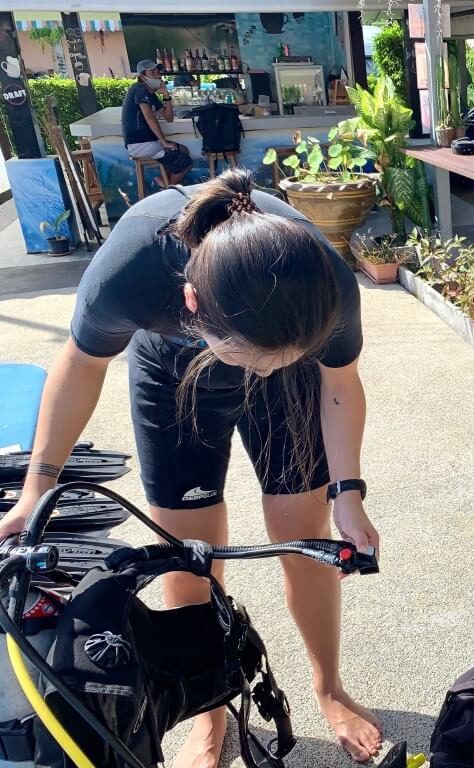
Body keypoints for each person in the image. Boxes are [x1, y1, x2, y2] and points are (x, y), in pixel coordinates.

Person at [0, 170, 382, 766]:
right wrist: (35, 489)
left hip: (291, 372)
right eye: (250, 362)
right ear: (190, 301)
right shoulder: (132, 267)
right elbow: (79, 367)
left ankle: (329, 686)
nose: (256, 374)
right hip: (173, 372)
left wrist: (348, 492)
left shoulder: (321, 284)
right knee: (188, 547)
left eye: (272, 363)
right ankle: (207, 712)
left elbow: (338, 383)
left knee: (303, 535)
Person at [122, 59, 193, 187]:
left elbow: (168, 117)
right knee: (186, 163)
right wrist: (164, 141)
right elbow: (149, 117)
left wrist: (166, 95)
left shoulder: (151, 94)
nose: (158, 74)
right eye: (152, 72)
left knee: (183, 150)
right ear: (142, 75)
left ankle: (163, 181)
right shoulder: (139, 89)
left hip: (147, 142)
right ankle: (167, 188)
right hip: (140, 143)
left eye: (158, 71)